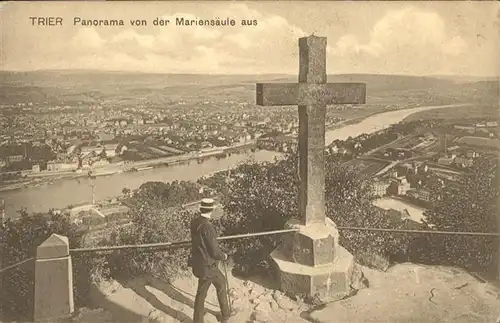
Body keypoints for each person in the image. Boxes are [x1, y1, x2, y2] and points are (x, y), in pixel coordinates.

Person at [189, 198, 232, 323]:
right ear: (211, 211)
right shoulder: (208, 227)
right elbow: (214, 251)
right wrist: (224, 256)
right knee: (221, 284)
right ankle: (225, 315)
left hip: (199, 263)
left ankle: (199, 320)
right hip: (208, 266)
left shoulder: (195, 222)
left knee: (203, 292)